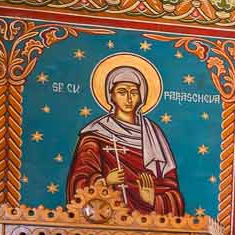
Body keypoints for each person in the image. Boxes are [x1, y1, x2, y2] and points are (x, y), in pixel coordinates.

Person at [67, 60, 182, 216]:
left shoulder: (154, 134)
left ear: (141, 97)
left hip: (147, 220)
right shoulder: (95, 134)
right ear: (111, 96)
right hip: (107, 215)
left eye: (134, 92)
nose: (128, 98)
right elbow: (79, 181)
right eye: (122, 92)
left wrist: (154, 200)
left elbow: (170, 186)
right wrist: (105, 182)